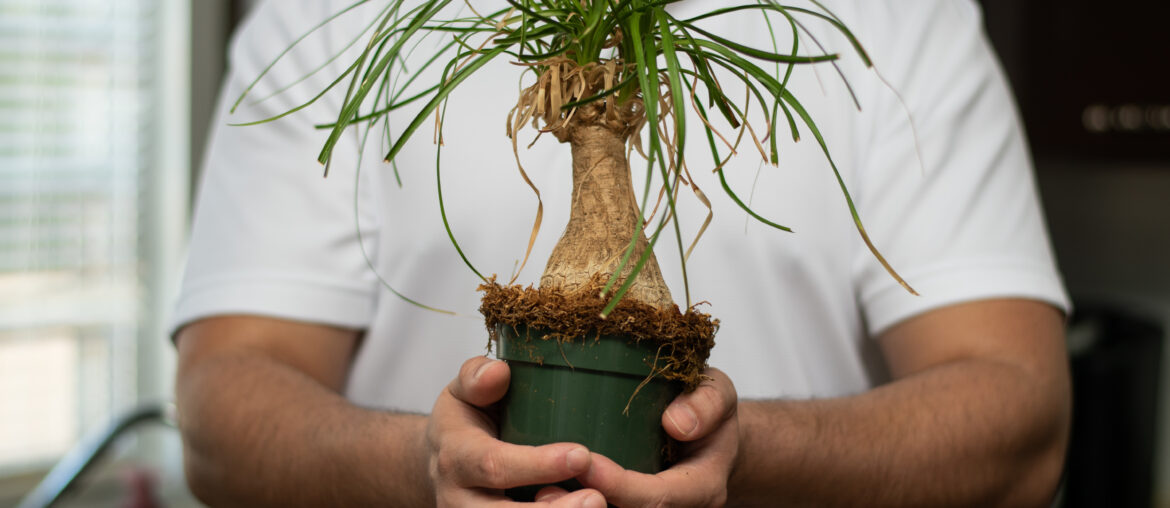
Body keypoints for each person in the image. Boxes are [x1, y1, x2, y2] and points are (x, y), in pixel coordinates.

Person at [172, 0, 1071, 506]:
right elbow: (221, 418)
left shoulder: (903, 21)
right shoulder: (323, 17)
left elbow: (1022, 418)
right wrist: (428, 465)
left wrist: (746, 450)